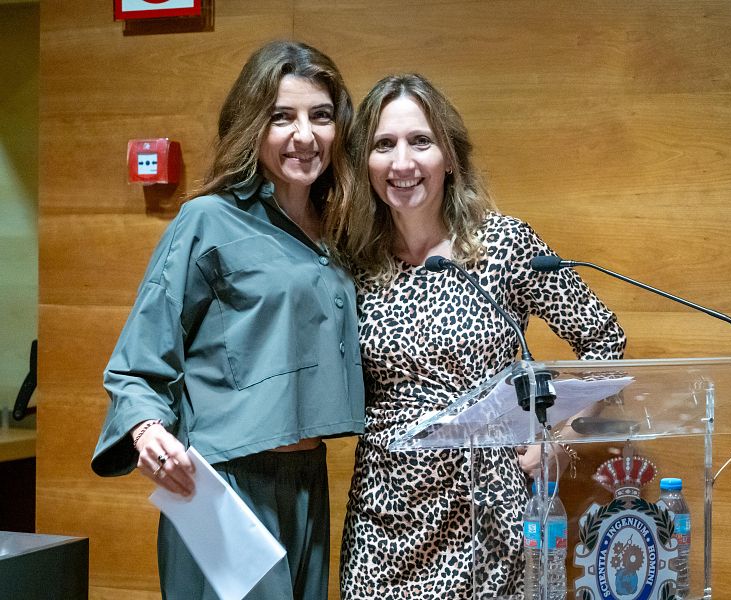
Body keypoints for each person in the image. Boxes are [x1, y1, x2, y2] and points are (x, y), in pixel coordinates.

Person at [331, 73, 626, 599]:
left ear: (449, 155)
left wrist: (559, 441)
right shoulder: (351, 262)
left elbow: (604, 341)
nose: (402, 163)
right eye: (384, 145)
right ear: (364, 162)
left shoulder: (503, 244)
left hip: (490, 516)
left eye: (420, 141)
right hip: (383, 523)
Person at [91, 40, 364, 600]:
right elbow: (137, 364)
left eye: (321, 116)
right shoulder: (206, 220)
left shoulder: (341, 233)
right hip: (224, 483)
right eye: (282, 117)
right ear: (253, 125)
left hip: (309, 479)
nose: (304, 136)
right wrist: (145, 431)